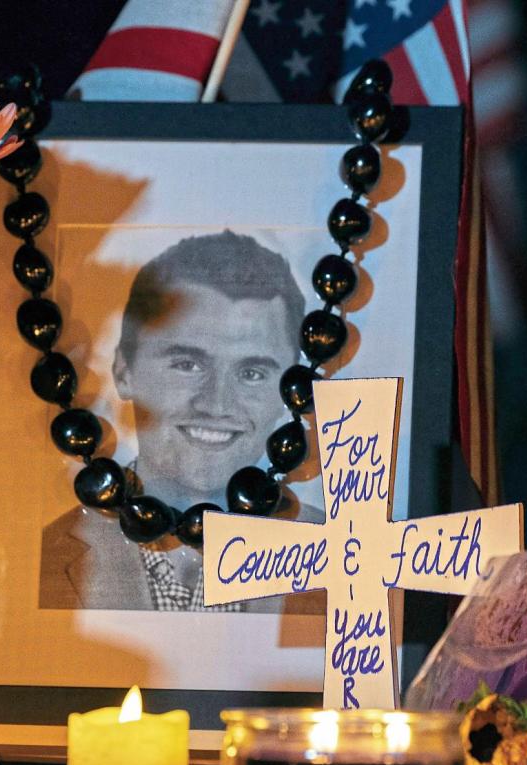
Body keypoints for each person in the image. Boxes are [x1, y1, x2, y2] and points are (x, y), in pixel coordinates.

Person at [42, 231, 323, 612]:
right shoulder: (44, 556)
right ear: (124, 370)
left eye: (253, 373)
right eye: (187, 365)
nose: (216, 403)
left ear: (289, 391)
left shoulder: (337, 559)